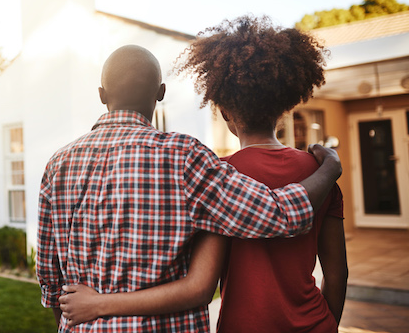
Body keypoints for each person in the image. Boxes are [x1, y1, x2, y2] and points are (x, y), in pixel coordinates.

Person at [58, 17, 348, 332]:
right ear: (285, 106)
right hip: (316, 323)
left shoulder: (220, 173)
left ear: (223, 111)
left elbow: (200, 284)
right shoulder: (320, 175)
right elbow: (337, 273)